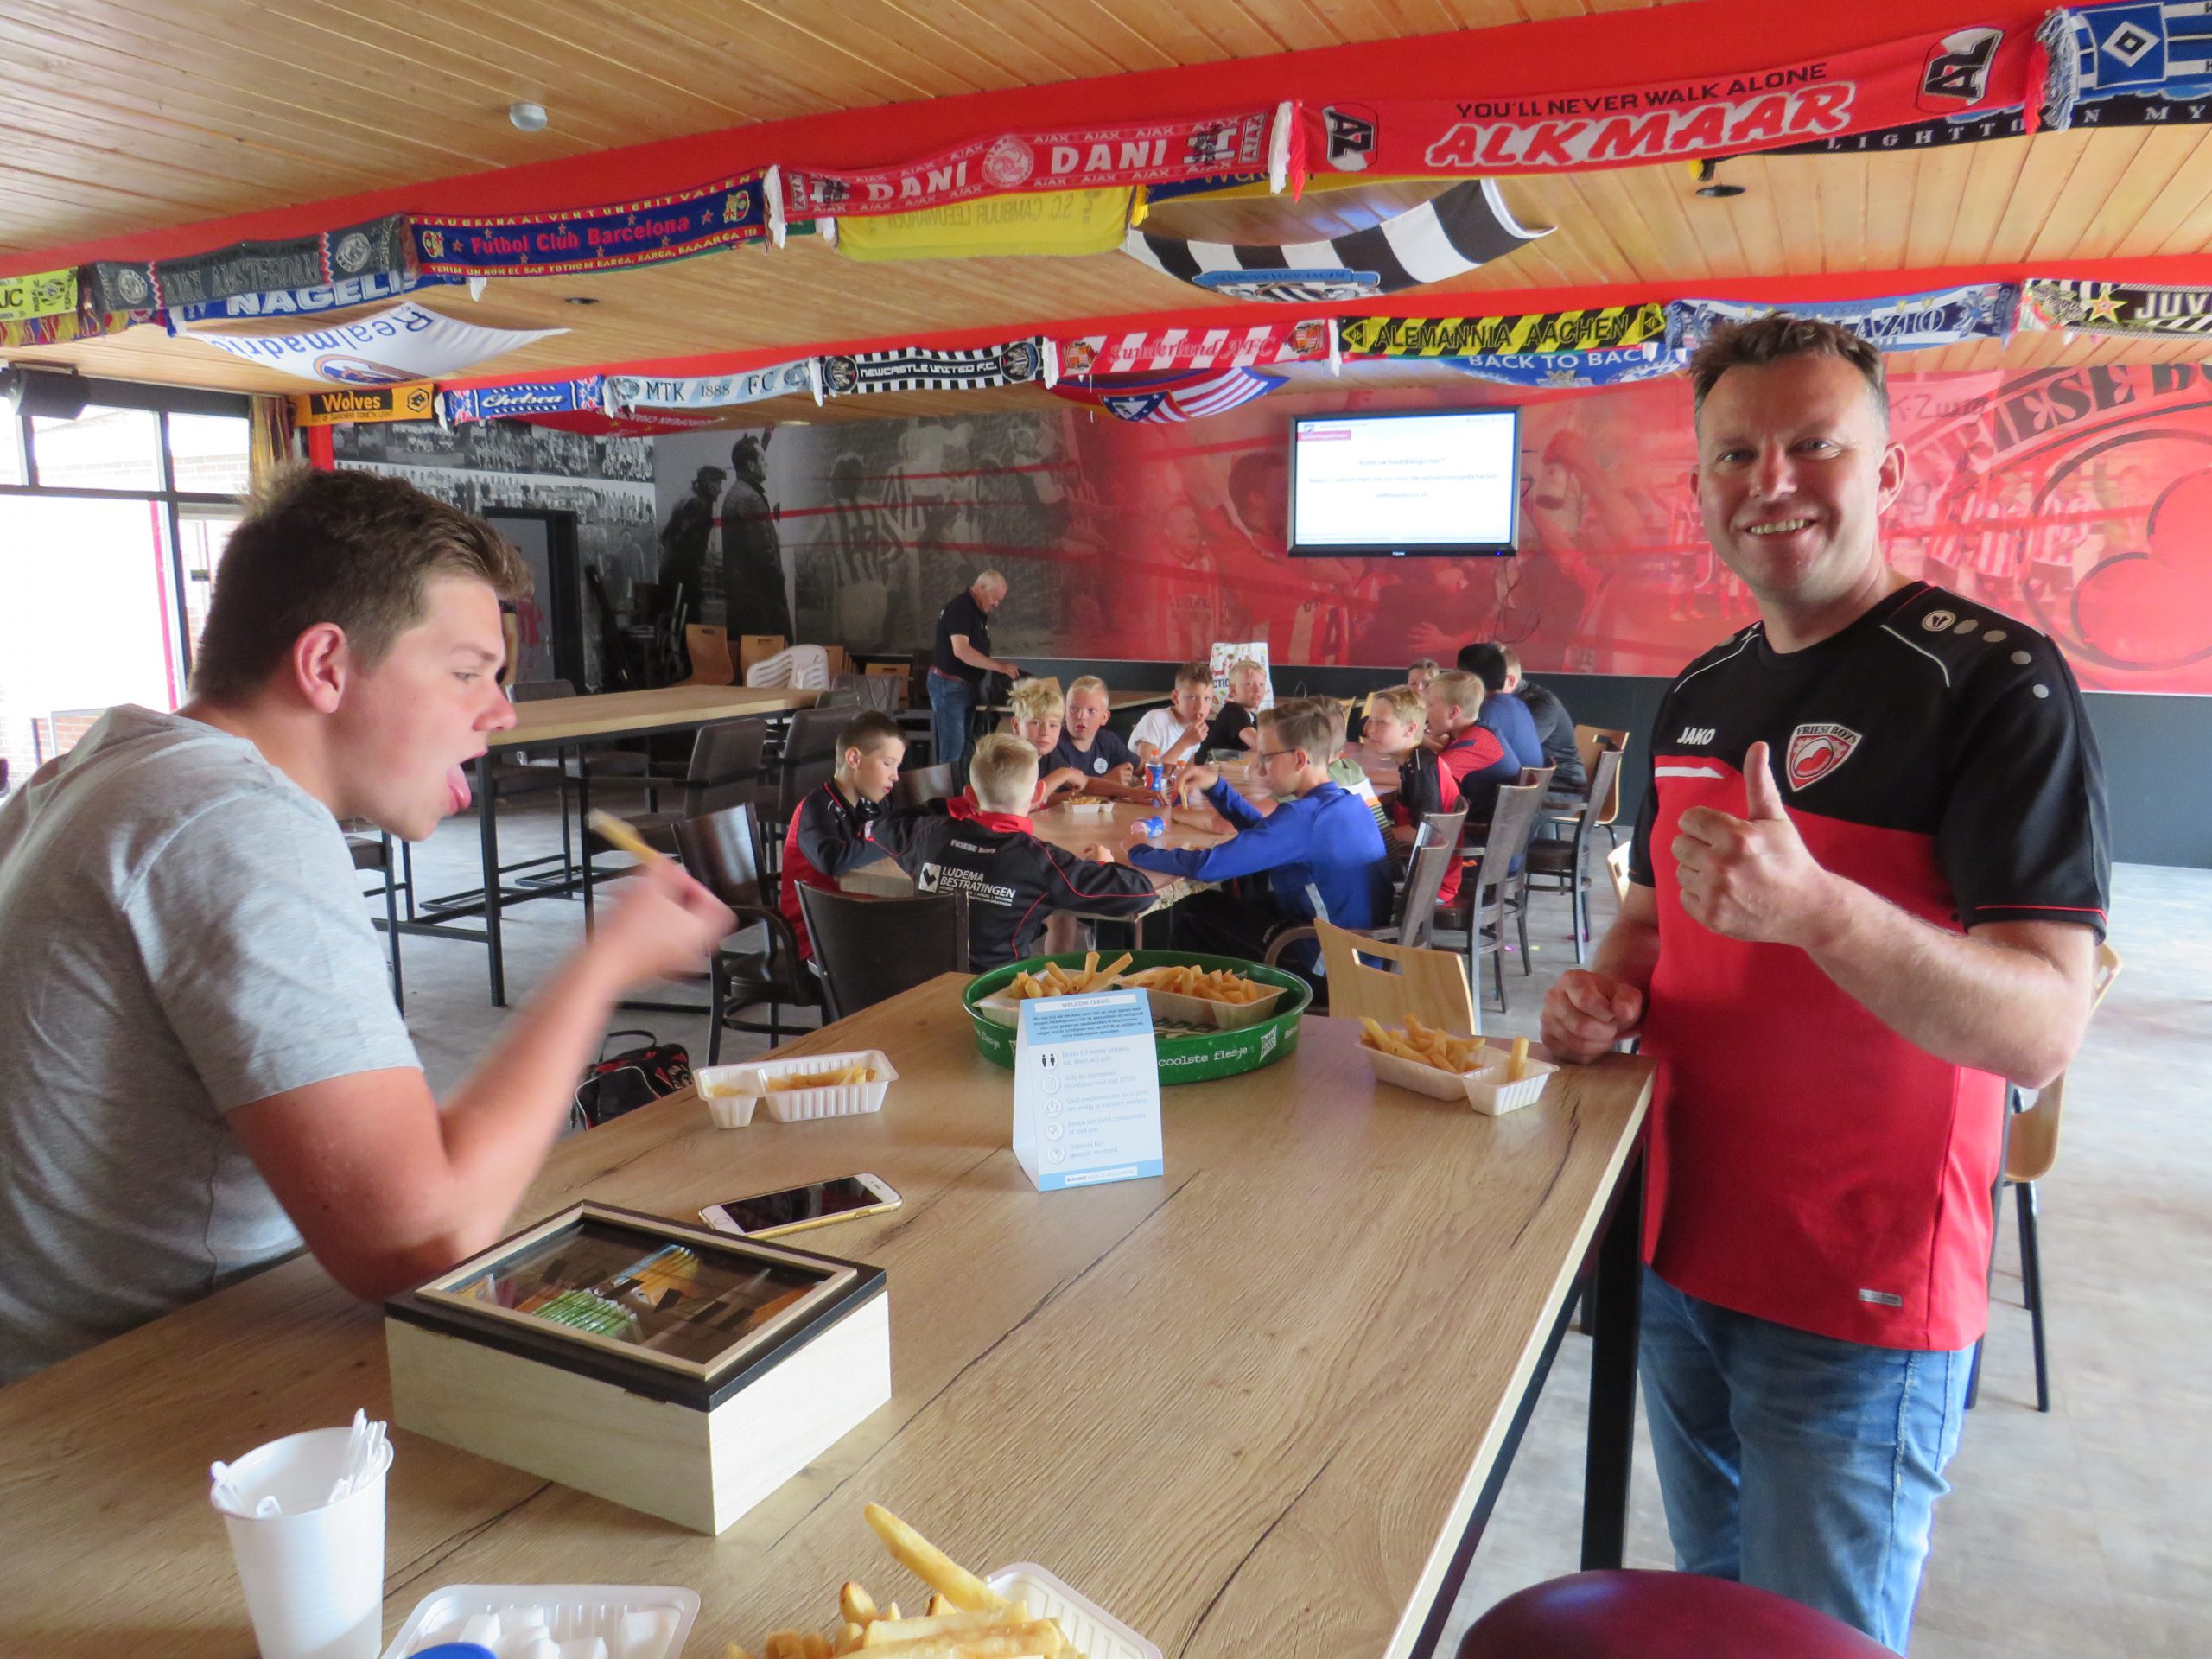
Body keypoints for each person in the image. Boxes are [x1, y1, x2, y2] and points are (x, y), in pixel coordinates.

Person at [1538, 315, 2108, 1654]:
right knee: (1718, 1608)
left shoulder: (1991, 682)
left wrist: (1821, 913)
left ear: (1890, 471)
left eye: (1814, 445)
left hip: (1858, 1283)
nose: (1771, 480)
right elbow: (1646, 923)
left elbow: (2043, 1028)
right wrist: (1600, 993)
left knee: (1811, 1640)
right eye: (1736, 453)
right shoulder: (1699, 690)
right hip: (1675, 1248)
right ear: (1701, 486)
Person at [0, 468, 735, 1383]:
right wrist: (604, 964)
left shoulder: (88, 776)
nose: (501, 712)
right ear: (325, 667)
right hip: (152, 1399)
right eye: (466, 673)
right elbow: (423, 1239)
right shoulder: (235, 821)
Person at [1124, 697, 1388, 965]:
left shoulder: (1304, 819)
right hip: (1363, 953)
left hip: (1331, 964)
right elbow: (1268, 835)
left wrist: (1139, 850)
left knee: (1194, 912)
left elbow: (1207, 866)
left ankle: (1184, 990)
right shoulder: (1345, 804)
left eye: (1266, 759)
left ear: (1299, 759)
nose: (1260, 770)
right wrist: (1217, 788)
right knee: (1223, 907)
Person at [868, 734, 1157, 969]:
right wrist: (1104, 864)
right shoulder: (1040, 861)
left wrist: (959, 806)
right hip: (996, 993)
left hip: (922, 986)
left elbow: (881, 825)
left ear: (969, 795)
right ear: (1038, 794)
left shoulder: (928, 835)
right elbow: (1140, 894)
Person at [779, 710, 902, 960]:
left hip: (854, 918)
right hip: (816, 934)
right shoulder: (815, 808)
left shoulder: (871, 804)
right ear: (854, 758)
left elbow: (898, 830)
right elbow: (831, 860)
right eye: (888, 763)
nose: (895, 776)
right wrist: (891, 839)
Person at [1361, 684, 1463, 907]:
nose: (1370, 729)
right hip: (1423, 873)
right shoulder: (1414, 761)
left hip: (1430, 884)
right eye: (1371, 720)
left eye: (1381, 722)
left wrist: (1373, 833)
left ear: (1410, 729)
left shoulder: (1421, 769)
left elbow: (1423, 832)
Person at [930, 569, 1020, 787]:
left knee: (966, 749)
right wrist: (998, 667)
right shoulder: (960, 608)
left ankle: (963, 796)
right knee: (953, 751)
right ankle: (946, 802)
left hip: (965, 687)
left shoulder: (976, 612)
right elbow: (961, 650)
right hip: (949, 686)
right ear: (981, 588)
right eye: (995, 598)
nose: (996, 604)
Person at [1425, 670, 1519, 830]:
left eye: (1430, 705)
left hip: (1476, 834)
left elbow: (1427, 777)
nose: (1425, 711)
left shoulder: (1478, 742)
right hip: (1480, 827)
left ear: (1454, 712)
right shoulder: (1477, 733)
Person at [720, 436, 792, 640]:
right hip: (760, 610)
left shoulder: (737, 494)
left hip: (744, 605)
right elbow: (764, 556)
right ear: (751, 465)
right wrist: (779, 580)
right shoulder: (749, 499)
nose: (766, 463)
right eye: (762, 459)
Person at [1498, 643, 1587, 792]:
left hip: (1562, 786)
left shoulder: (1542, 705)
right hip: (1530, 782)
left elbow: (1515, 752)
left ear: (1510, 680)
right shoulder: (1504, 702)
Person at [1045, 675, 1146, 798]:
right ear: (1064, 713)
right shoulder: (1053, 745)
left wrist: (1166, 768)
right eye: (1073, 709)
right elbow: (1048, 800)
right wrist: (1107, 784)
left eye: (1091, 710)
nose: (1081, 716)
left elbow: (1144, 768)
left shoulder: (1108, 741)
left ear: (1104, 717)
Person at [1455, 642, 1547, 770]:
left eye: (1456, 677)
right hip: (1521, 781)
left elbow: (1451, 763)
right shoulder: (1518, 705)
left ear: (1469, 681)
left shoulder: (1486, 715)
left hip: (1496, 782)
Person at [659, 463, 725, 622]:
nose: (720, 490)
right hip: (683, 576)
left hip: (674, 574)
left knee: (679, 624)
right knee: (689, 624)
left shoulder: (690, 498)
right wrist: (693, 576)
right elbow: (683, 540)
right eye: (718, 484)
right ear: (708, 484)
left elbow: (666, 537)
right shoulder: (695, 504)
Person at [1007, 678, 1088, 804]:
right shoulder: (1005, 757)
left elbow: (1084, 782)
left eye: (1053, 725)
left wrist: (1124, 792)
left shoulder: (1049, 757)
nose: (1045, 732)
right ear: (1016, 725)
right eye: (1036, 723)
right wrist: (1065, 774)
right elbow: (1023, 804)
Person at [1129, 661, 1215, 766]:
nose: (1200, 706)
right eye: (1192, 697)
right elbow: (1147, 773)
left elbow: (1186, 772)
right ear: (1175, 698)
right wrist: (1185, 743)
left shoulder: (1194, 731)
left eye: (1207, 698)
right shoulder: (1154, 720)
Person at [1204, 658, 1269, 755]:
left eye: (1261, 684)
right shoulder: (1233, 711)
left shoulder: (1253, 718)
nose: (1257, 690)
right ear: (1233, 690)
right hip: (1211, 762)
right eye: (1249, 684)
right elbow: (1261, 746)